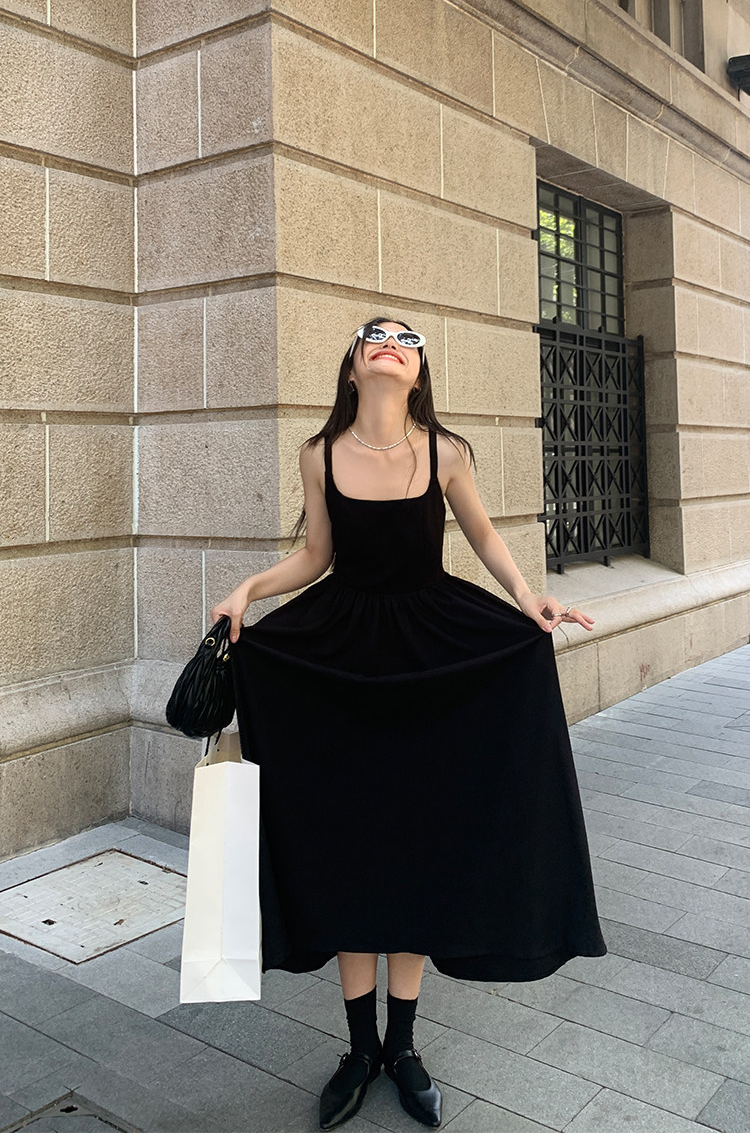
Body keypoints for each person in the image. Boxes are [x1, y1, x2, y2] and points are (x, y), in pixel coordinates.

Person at [210, 316, 607, 1131]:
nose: (390, 342)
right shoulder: (319, 454)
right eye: (374, 336)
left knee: (420, 844)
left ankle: (403, 1046)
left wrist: (526, 598)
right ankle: (359, 1050)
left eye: (406, 338)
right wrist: (249, 590)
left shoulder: (447, 452)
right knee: (352, 850)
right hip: (343, 668)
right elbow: (316, 556)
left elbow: (483, 533)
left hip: (432, 662)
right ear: (354, 368)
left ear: (418, 372)